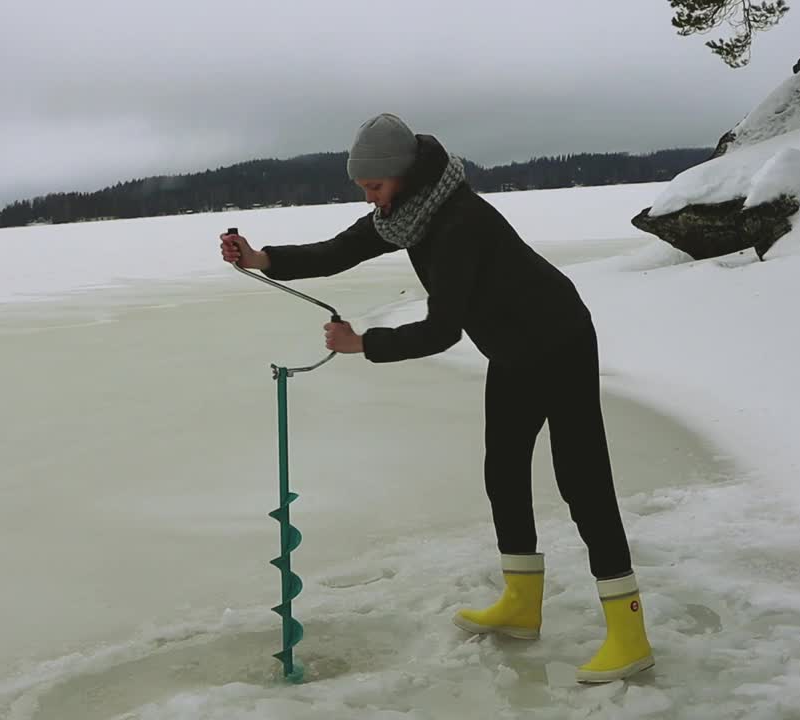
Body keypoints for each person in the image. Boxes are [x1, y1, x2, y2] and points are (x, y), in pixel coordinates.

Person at [219, 113, 654, 683]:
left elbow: (443, 329)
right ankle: (522, 603)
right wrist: (261, 258)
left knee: (582, 480)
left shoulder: (457, 223)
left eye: (374, 187)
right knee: (503, 471)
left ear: (401, 176)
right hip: (513, 350)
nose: (370, 200)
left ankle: (630, 633)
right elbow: (337, 250)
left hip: (559, 339)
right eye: (364, 191)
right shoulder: (405, 215)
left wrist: (363, 344)